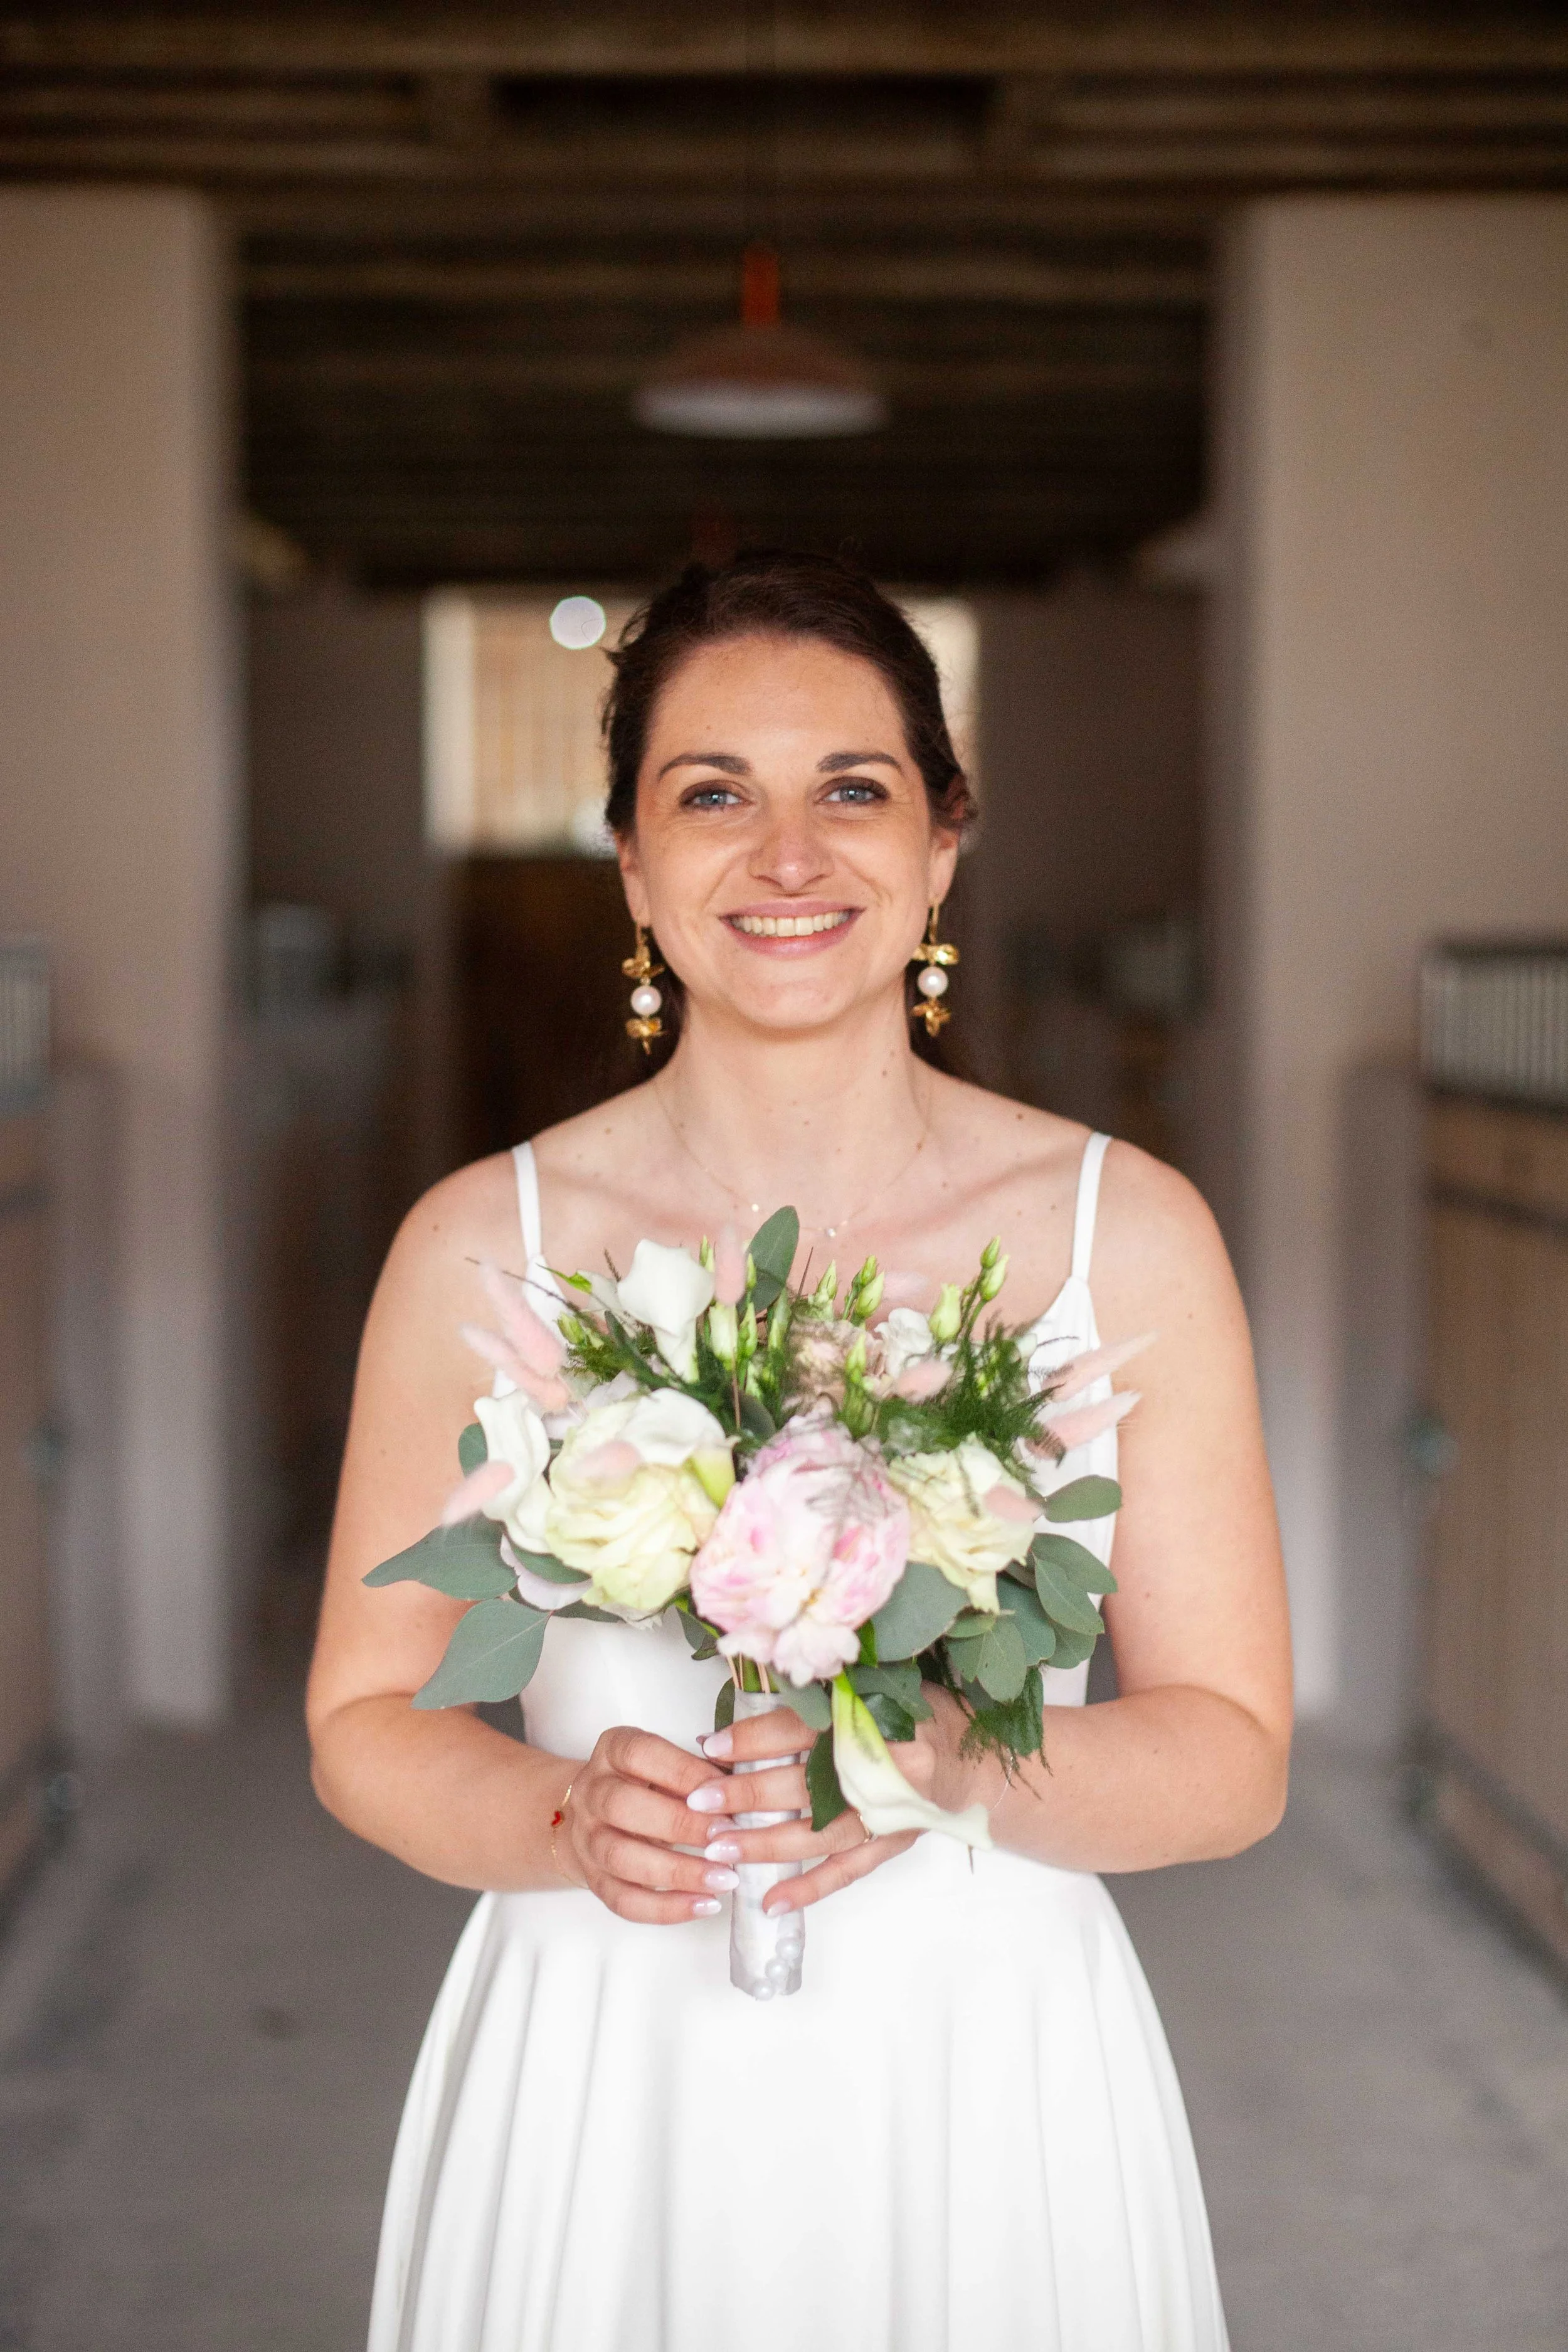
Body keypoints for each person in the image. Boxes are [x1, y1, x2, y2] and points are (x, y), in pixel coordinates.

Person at [308, 549, 1291, 2352]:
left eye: (852, 787)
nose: (786, 854)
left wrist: (962, 1765)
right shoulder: (480, 1242)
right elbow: (364, 1723)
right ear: (628, 861)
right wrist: (559, 1813)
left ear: (940, 844)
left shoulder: (1118, 1233)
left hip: (982, 2062)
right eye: (711, 794)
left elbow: (1230, 1756)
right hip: (609, 2042)